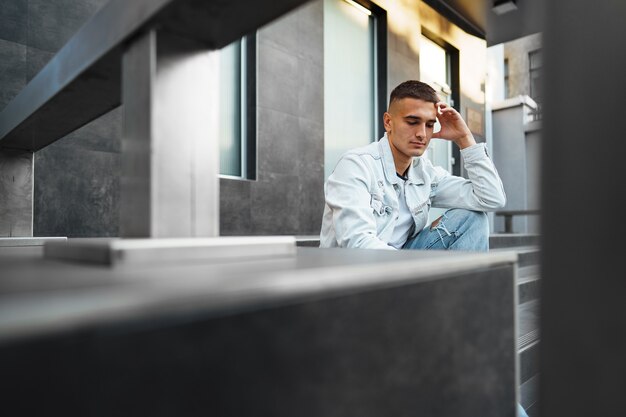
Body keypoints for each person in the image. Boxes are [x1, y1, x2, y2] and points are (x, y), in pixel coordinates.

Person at [320, 80, 506, 252]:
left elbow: (491, 198)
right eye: (412, 122)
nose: (422, 134)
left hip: (403, 264)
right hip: (351, 276)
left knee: (472, 219)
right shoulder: (356, 165)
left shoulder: (426, 174)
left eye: (430, 125)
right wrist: (413, 271)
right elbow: (358, 244)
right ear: (388, 122)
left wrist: (465, 139)